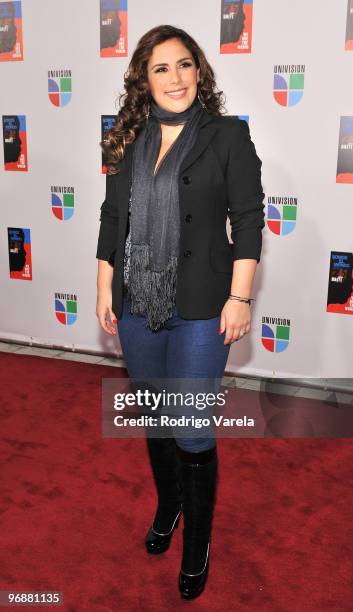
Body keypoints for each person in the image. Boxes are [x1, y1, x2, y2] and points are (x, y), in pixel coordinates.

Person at [96, 24, 265, 600]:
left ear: (200, 73)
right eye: (161, 68)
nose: (176, 77)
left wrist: (240, 297)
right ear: (144, 80)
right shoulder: (127, 139)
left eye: (185, 64)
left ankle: (199, 542)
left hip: (201, 303)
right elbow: (110, 220)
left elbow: (247, 221)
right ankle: (169, 508)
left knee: (191, 426)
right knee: (154, 415)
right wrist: (103, 288)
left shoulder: (227, 137)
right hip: (137, 301)